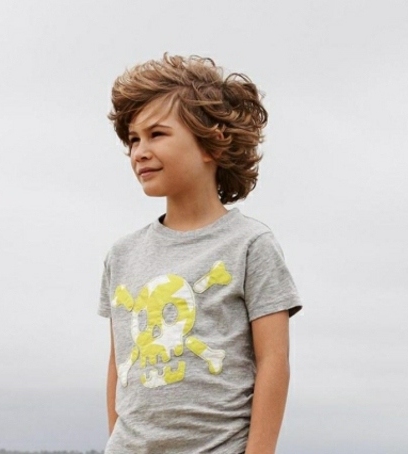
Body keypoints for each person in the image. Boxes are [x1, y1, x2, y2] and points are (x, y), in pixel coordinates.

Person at [97, 53, 302, 454]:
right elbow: (118, 363)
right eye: (134, 139)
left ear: (211, 144)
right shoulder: (121, 255)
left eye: (157, 134)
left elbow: (274, 363)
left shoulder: (249, 245)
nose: (139, 151)